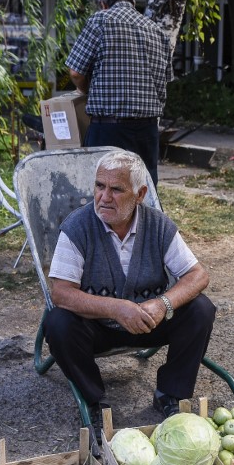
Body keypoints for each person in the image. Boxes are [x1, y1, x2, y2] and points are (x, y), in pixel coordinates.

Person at [43, 150, 217, 437]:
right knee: (58, 322)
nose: (104, 197)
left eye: (116, 189)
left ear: (140, 194)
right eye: (100, 186)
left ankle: (170, 394)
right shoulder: (77, 227)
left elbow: (198, 275)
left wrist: (163, 304)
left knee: (201, 309)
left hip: (149, 321)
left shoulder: (158, 225)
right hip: (97, 329)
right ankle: (94, 401)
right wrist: (116, 308)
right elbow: (61, 293)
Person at [65, 0, 173, 186]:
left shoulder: (101, 20)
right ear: (132, 3)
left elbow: (76, 72)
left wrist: (86, 91)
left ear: (103, 3)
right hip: (148, 129)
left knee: (104, 193)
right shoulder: (157, 30)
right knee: (143, 189)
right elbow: (164, 82)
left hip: (109, 129)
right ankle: (144, 220)